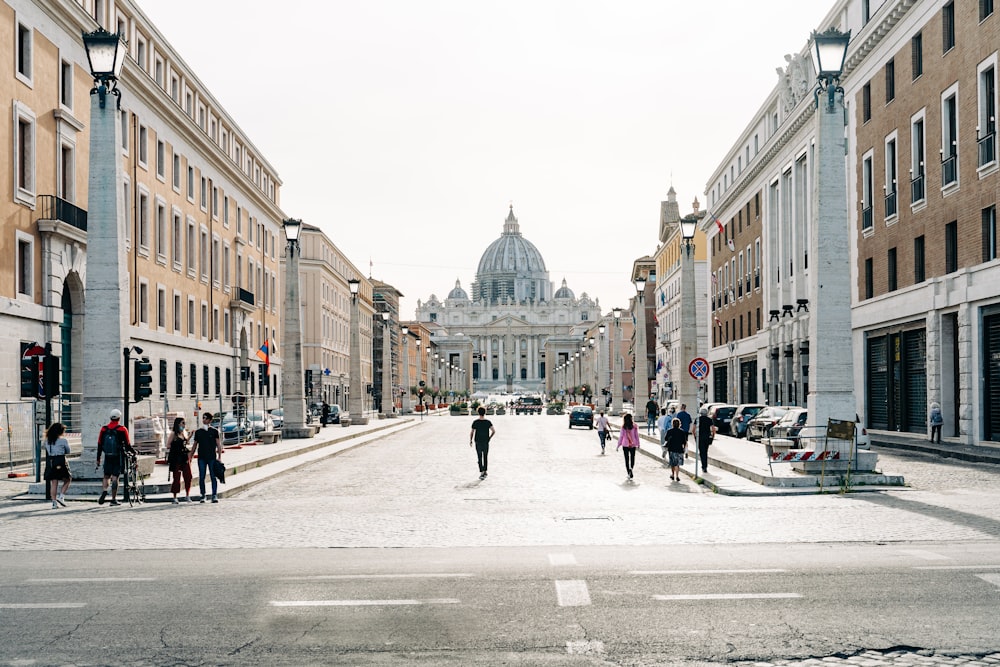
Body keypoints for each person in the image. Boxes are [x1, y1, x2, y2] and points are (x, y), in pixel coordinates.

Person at [96, 409, 134, 506]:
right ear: (119, 418)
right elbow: (128, 444)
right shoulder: (122, 429)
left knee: (106, 476)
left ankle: (105, 490)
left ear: (110, 417)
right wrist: (134, 452)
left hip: (107, 456)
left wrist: (98, 458)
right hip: (118, 456)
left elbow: (100, 444)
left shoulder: (104, 429)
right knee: (115, 477)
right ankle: (113, 499)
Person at [193, 412, 223, 503]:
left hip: (212, 457)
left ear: (210, 420)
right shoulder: (198, 432)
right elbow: (195, 445)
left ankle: (214, 495)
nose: (204, 420)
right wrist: (190, 455)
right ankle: (203, 495)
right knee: (202, 476)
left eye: (206, 418)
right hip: (201, 457)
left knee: (213, 476)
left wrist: (219, 456)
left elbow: (218, 444)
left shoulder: (214, 431)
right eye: (203, 418)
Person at [44, 422, 72, 509]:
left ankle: (54, 502)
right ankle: (61, 496)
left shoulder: (47, 441)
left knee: (54, 482)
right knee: (67, 479)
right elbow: (68, 451)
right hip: (60, 460)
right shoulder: (63, 441)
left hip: (51, 461)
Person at [167, 417, 193, 504]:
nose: (184, 425)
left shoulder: (183, 433)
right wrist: (176, 447)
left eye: (184, 423)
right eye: (182, 423)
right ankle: (175, 496)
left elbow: (185, 443)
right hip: (176, 458)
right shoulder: (174, 434)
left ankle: (187, 495)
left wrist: (190, 436)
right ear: (178, 424)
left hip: (184, 457)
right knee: (177, 478)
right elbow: (168, 445)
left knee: (188, 476)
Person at [469, 406, 495, 480]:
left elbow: (472, 432)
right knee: (485, 456)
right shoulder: (488, 422)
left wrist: (470, 440)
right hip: (485, 441)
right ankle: (485, 470)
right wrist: (489, 438)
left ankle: (481, 471)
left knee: (479, 456)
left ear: (478, 412)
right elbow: (493, 431)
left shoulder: (475, 422)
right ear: (485, 412)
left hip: (478, 441)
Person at [617, 412, 640, 481]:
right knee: (632, 458)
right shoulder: (634, 426)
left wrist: (618, 445)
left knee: (626, 459)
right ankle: (631, 469)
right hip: (633, 444)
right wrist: (638, 444)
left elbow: (621, 436)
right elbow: (636, 436)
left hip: (625, 444)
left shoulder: (623, 427)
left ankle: (628, 473)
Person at [664, 417, 688, 482]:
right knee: (677, 464)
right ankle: (677, 476)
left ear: (672, 424)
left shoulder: (669, 431)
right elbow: (684, 442)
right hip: (679, 449)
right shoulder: (682, 432)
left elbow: (665, 439)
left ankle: (672, 474)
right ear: (679, 424)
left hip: (671, 449)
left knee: (673, 463)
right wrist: (685, 451)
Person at [695, 407, 716, 473]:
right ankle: (705, 466)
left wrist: (695, 437)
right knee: (705, 452)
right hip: (707, 438)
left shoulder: (697, 419)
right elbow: (713, 429)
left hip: (700, 438)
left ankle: (703, 466)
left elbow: (693, 429)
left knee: (702, 452)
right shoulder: (709, 420)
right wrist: (712, 437)